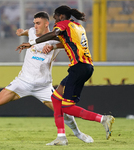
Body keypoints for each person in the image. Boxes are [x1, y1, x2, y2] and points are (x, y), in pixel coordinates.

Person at [0, 11, 94, 144]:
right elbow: (26, 31)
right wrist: (21, 32)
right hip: (23, 82)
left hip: (43, 86)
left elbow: (69, 43)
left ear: (46, 24)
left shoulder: (56, 36)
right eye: (34, 23)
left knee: (64, 110)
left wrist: (52, 46)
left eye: (38, 23)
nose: (35, 26)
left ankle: (78, 133)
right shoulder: (31, 32)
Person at [16, 6, 115, 146]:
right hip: (85, 66)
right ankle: (61, 137)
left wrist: (31, 42)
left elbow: (53, 34)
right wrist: (53, 47)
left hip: (78, 67)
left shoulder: (62, 24)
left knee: (67, 107)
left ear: (61, 16)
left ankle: (103, 119)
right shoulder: (77, 26)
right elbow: (68, 42)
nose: (54, 20)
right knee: (56, 99)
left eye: (55, 17)